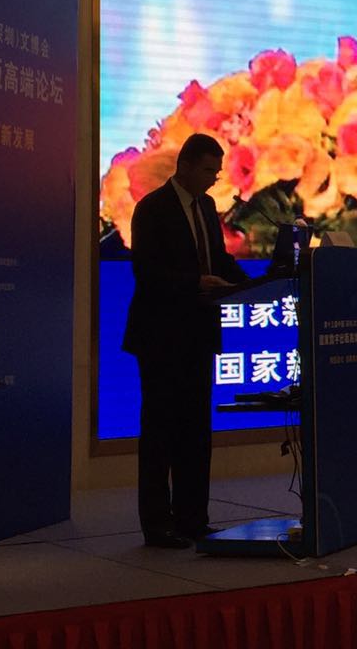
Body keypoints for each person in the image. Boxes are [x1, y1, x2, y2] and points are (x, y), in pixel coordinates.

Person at [122, 133, 248, 547]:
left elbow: (219, 260)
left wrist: (253, 283)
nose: (214, 179)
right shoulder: (152, 208)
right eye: (209, 170)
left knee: (195, 432)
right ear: (186, 166)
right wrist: (196, 282)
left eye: (217, 172)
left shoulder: (207, 207)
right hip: (160, 337)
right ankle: (158, 524)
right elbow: (147, 272)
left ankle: (193, 519)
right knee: (160, 432)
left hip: (198, 334)